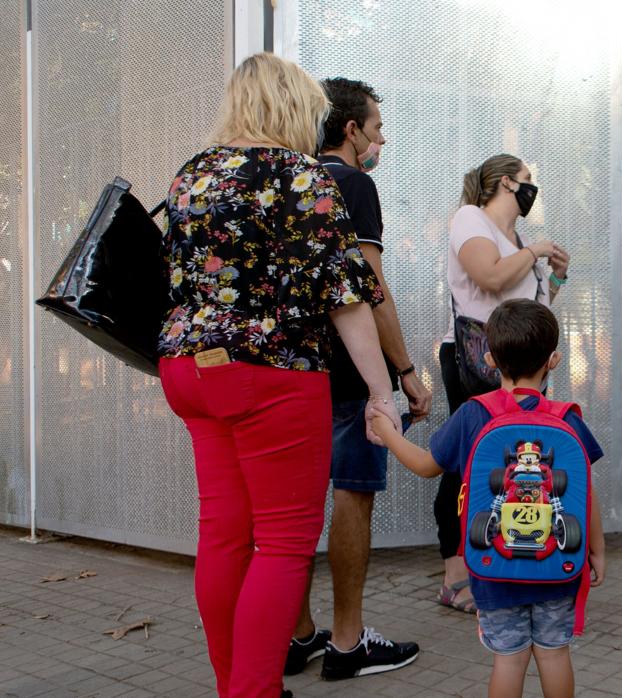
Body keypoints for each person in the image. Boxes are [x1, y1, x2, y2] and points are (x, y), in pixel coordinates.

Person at [157, 53, 400, 698]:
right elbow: (348, 297)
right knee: (285, 542)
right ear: (294, 108)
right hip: (269, 371)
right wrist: (383, 392)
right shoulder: (300, 175)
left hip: (189, 369)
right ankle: (254, 691)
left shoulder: (192, 174)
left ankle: (234, 683)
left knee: (224, 533)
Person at [373, 299, 605, 698]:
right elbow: (584, 489)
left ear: (491, 359)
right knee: (554, 654)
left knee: (509, 659)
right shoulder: (567, 418)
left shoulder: (473, 414)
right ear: (554, 360)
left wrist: (389, 433)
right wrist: (596, 549)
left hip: (495, 568)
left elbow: (428, 465)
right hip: (558, 568)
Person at [283, 77, 428, 681]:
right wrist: (405, 373)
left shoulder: (289, 182)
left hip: (289, 371)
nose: (381, 138)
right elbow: (369, 290)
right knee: (352, 493)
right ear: (351, 130)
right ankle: (347, 644)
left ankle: (296, 637)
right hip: (348, 371)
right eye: (376, 127)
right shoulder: (353, 183)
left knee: (287, 509)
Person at [435, 154, 571, 613]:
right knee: (465, 459)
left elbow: (528, 305)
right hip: (476, 357)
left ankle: (498, 562)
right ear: (507, 183)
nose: (533, 189)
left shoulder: (518, 239)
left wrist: (554, 276)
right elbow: (489, 277)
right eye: (528, 181)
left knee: (510, 460)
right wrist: (532, 254)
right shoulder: (471, 218)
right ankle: (455, 574)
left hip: (517, 362)